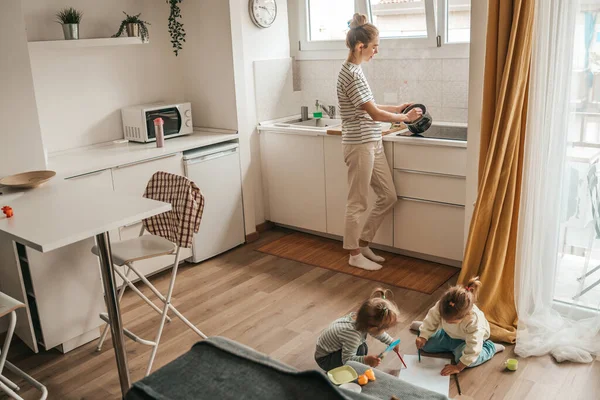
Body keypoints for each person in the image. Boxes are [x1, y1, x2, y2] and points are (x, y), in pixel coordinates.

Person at [338, 13, 423, 271]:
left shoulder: (356, 71)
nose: (377, 50)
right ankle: (353, 253)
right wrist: (403, 117)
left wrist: (396, 108)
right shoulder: (350, 74)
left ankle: (363, 243)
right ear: (360, 46)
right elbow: (374, 113)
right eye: (375, 46)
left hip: (371, 140)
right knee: (358, 201)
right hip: (360, 144)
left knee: (388, 195)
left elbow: (369, 107)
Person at [412, 277, 505, 376]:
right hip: (448, 334)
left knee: (464, 360)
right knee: (425, 346)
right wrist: (423, 336)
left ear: (465, 315)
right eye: (445, 319)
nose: (447, 321)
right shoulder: (443, 305)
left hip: (467, 341)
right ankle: (425, 329)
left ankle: (490, 348)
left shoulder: (473, 321)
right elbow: (432, 318)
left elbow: (473, 347)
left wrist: (458, 367)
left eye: (451, 321)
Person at [314, 288, 401, 371]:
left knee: (361, 347)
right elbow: (347, 360)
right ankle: (340, 372)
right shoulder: (352, 334)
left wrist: (391, 342)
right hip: (325, 359)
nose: (385, 330)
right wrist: (366, 360)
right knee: (361, 349)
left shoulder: (362, 320)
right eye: (385, 328)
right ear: (372, 328)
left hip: (329, 352)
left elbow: (375, 332)